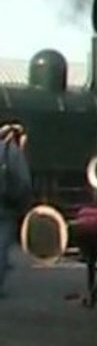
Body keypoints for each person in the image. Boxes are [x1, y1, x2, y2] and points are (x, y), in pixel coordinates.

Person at [0, 122, 32, 298]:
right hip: (6, 206)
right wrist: (21, 205)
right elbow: (23, 182)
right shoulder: (12, 153)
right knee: (2, 243)